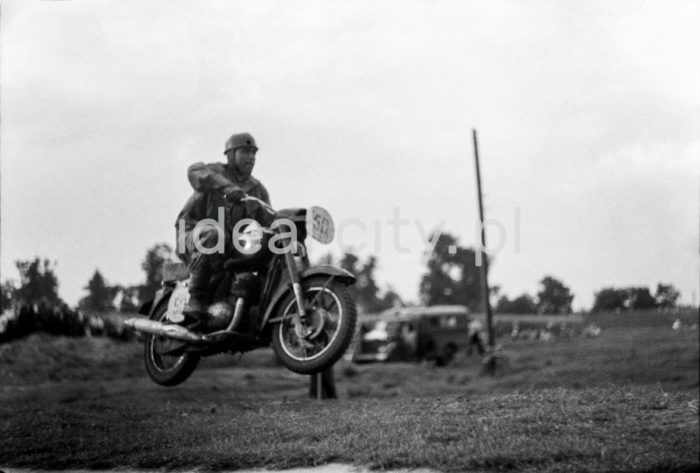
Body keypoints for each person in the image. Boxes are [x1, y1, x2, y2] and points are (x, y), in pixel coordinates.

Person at [175, 132, 271, 329]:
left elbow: (268, 218)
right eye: (245, 152)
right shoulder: (214, 171)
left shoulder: (257, 189)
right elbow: (194, 171)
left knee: (269, 248)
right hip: (193, 234)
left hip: (229, 246)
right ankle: (195, 299)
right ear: (230, 154)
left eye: (254, 153)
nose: (251, 157)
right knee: (215, 233)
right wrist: (227, 187)